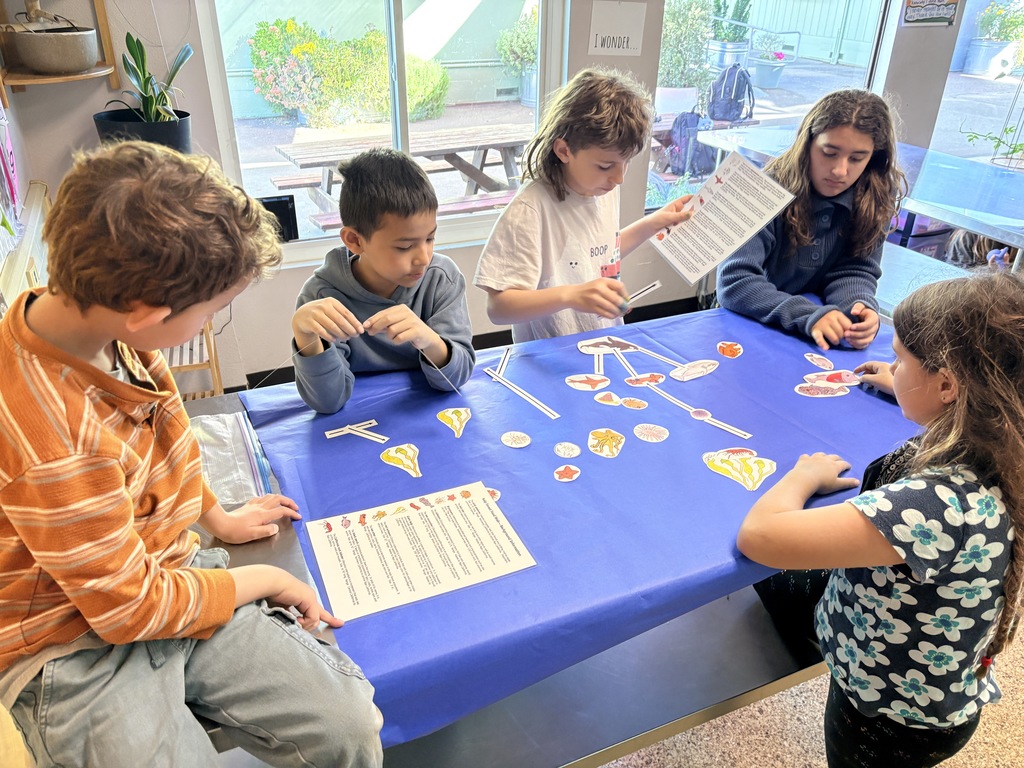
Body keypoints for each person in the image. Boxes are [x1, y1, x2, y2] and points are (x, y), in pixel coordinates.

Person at [0, 141, 383, 768]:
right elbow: (129, 610)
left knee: (347, 726)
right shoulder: (52, 437)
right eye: (215, 309)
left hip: (164, 576)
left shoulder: (112, 329)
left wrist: (218, 520)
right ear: (147, 314)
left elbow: (166, 451)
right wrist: (269, 579)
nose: (216, 318)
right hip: (70, 646)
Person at [737, 272, 1024, 768]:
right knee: (780, 588)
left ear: (948, 384)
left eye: (900, 360)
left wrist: (802, 477)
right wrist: (910, 389)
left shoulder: (935, 506)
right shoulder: (1004, 446)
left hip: (885, 716)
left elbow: (759, 538)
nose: (893, 366)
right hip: (933, 687)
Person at [473, 67, 693, 343]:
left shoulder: (601, 187)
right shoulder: (530, 210)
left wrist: (653, 223)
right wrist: (571, 295)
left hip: (603, 345)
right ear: (564, 150)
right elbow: (499, 308)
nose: (619, 177)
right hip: (551, 360)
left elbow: (597, 253)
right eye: (605, 165)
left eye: (627, 163)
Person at [717, 89, 907, 351]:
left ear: (874, 156)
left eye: (857, 158)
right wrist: (808, 315)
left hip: (812, 336)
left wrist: (858, 308)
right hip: (748, 325)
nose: (840, 171)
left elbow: (855, 269)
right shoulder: (760, 189)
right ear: (807, 144)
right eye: (829, 152)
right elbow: (735, 281)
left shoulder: (875, 194)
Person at [292, 148, 475, 414]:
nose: (423, 258)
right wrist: (304, 335)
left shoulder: (440, 278)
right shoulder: (322, 296)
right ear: (355, 241)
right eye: (404, 247)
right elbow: (328, 402)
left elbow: (455, 380)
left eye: (430, 238)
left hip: (429, 412)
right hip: (359, 419)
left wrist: (430, 340)